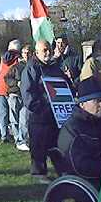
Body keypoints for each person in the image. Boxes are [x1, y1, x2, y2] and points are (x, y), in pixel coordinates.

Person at [21, 40, 71, 184]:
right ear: (37, 52)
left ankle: (63, 172)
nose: (48, 52)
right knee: (39, 146)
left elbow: (66, 86)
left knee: (57, 145)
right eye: (44, 50)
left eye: (49, 49)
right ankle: (38, 173)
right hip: (39, 117)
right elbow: (27, 94)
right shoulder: (31, 68)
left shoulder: (55, 68)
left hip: (56, 116)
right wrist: (41, 109)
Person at [57, 77, 101, 188]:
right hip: (93, 182)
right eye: (97, 100)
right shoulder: (72, 130)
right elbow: (80, 167)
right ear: (82, 104)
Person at [0, 39, 21, 142]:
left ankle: (4, 136)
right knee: (13, 114)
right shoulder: (18, 59)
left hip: (0, 87)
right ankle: (17, 137)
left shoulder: (3, 58)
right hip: (11, 88)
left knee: (2, 114)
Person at [4, 44, 32, 151]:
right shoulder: (16, 67)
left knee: (24, 118)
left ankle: (22, 140)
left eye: (28, 52)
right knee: (14, 119)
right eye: (25, 53)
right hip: (15, 94)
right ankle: (17, 139)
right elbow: (7, 78)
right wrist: (16, 83)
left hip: (26, 96)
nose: (26, 55)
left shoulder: (32, 66)